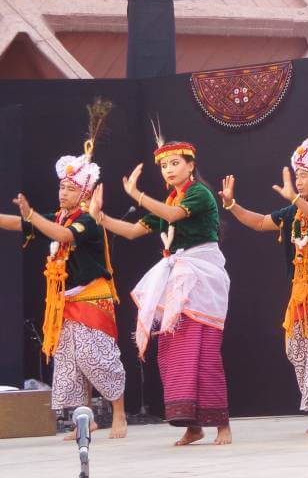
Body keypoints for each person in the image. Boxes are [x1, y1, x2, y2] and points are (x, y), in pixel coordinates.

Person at [219, 75, 308, 434]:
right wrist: (233, 205)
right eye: (296, 176)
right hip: (303, 293)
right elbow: (260, 223)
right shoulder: (295, 213)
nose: (298, 181)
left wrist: (296, 199)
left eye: (304, 175)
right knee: (302, 350)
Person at [91, 126, 232, 446]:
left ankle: (222, 424)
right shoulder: (169, 199)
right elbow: (130, 232)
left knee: (205, 352)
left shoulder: (199, 194)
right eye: (164, 166)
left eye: (175, 164)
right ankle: (192, 426)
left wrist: (137, 195)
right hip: (179, 280)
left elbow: (172, 214)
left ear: (191, 165)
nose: (169, 171)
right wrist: (99, 217)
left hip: (203, 278)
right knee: (174, 352)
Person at [0, 99, 127, 439]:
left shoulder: (85, 220)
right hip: (65, 302)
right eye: (61, 186)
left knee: (97, 358)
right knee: (71, 364)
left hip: (91, 296)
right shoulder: (57, 216)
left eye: (69, 188)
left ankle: (118, 413)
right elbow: (24, 224)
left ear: (83, 193)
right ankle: (85, 420)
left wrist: (32, 216)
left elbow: (61, 235)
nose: (62, 192)